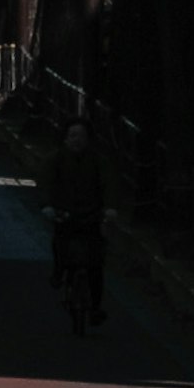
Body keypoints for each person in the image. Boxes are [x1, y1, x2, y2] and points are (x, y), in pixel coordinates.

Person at [47, 127, 109, 332]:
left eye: (81, 136)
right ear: (65, 139)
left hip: (91, 214)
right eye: (72, 135)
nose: (77, 140)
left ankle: (95, 307)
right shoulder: (56, 159)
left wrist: (110, 209)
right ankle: (59, 271)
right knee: (60, 243)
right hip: (65, 213)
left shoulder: (97, 161)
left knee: (95, 263)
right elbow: (47, 183)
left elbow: (108, 185)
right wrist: (48, 206)